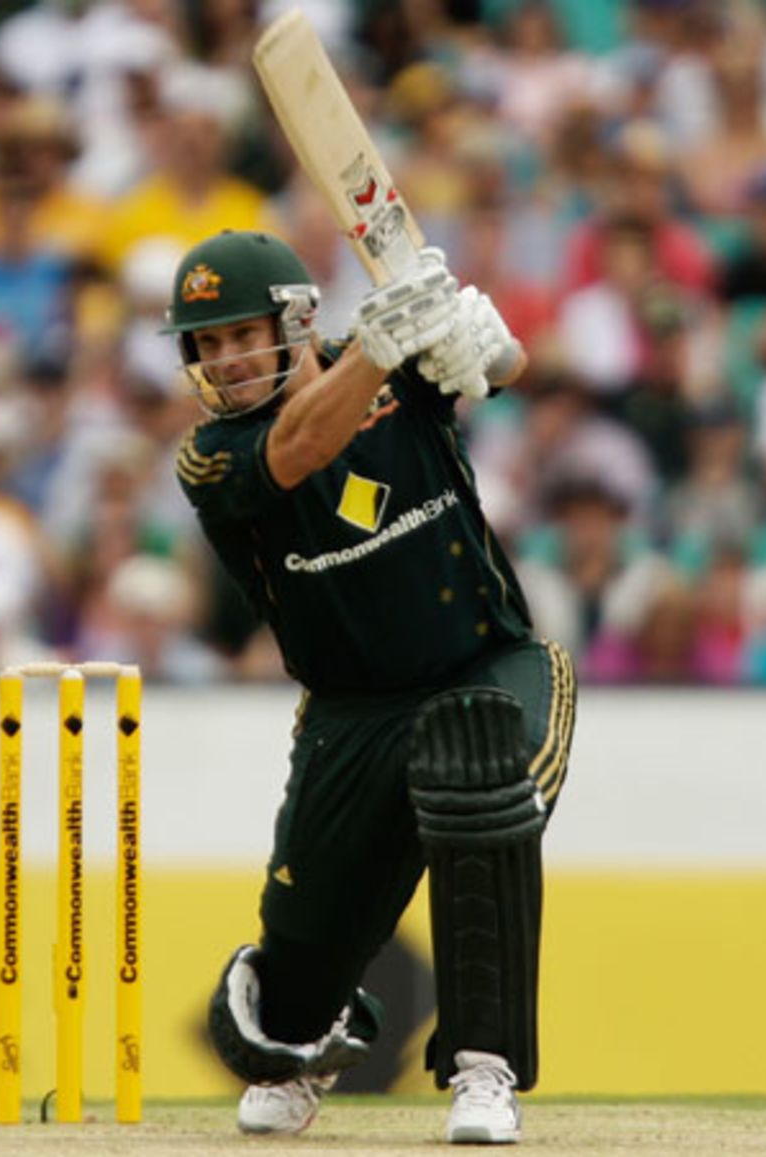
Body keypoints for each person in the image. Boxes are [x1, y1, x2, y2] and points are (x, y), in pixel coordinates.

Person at [163, 230, 576, 1145]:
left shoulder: (396, 370)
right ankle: (316, 1041)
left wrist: (478, 337)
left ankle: (484, 1068)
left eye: (242, 333)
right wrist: (378, 349)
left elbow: (502, 368)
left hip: (487, 664)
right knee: (290, 985)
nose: (226, 359)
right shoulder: (212, 456)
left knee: (479, 778)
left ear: (295, 319)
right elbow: (301, 446)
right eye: (208, 343)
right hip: (349, 713)